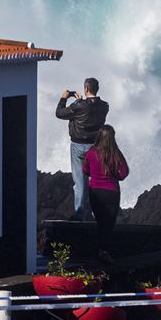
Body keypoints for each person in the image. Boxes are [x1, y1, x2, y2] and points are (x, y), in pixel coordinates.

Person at [55, 78, 109, 221]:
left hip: (78, 147)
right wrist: (80, 102)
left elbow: (59, 113)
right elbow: (90, 108)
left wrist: (63, 98)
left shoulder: (79, 106)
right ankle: (100, 213)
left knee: (80, 182)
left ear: (85, 89)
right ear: (97, 89)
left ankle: (80, 214)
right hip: (97, 147)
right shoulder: (105, 106)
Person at [82, 125, 129, 264]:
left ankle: (100, 251)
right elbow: (124, 173)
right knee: (108, 224)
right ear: (112, 137)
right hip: (112, 192)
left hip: (95, 191)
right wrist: (113, 175)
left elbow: (85, 170)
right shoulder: (116, 153)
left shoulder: (91, 152)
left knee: (100, 222)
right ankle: (104, 251)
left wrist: (95, 173)